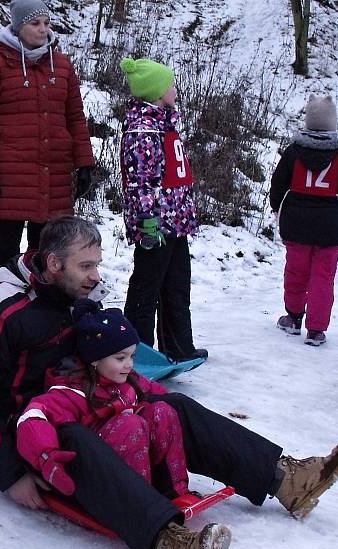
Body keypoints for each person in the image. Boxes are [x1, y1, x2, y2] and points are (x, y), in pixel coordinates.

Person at [0, 215, 338, 549]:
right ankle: (171, 541)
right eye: (86, 266)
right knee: (76, 439)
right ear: (54, 264)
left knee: (169, 404)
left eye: (97, 265)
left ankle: (286, 478)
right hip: (29, 434)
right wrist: (9, 472)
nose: (96, 276)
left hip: (80, 402)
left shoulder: (77, 298)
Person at [16, 299, 190, 500]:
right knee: (130, 423)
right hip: (97, 470)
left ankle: (173, 489)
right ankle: (140, 502)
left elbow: (159, 395)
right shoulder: (71, 391)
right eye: (120, 358)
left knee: (163, 410)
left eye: (132, 356)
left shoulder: (128, 380)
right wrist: (47, 456)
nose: (129, 364)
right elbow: (34, 416)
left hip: (135, 460)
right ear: (96, 359)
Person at [0, 0, 95, 268]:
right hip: (11, 175)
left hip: (55, 174)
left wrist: (84, 163)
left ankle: (39, 304)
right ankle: (1, 302)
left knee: (45, 249)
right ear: (17, 27)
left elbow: (75, 118)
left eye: (46, 23)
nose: (43, 30)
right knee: (6, 246)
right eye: (34, 23)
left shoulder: (61, 66)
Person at [118, 58, 207, 363]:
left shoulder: (165, 123)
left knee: (177, 287)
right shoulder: (143, 130)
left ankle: (179, 347)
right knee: (146, 290)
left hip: (177, 223)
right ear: (156, 91)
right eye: (170, 84)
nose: (174, 88)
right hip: (155, 226)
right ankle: (136, 354)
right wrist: (147, 222)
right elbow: (139, 182)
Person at [269, 95, 338, 346]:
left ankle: (293, 317)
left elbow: (278, 183)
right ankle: (316, 330)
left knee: (296, 272)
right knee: (323, 277)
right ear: (332, 124)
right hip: (330, 227)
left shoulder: (294, 152)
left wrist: (277, 207)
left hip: (296, 223)